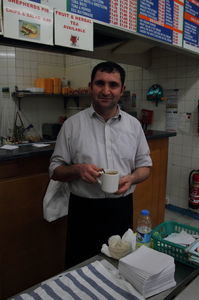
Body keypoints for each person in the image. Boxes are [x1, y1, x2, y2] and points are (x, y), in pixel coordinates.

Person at [49, 61, 152, 268]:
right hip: (83, 209)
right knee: (78, 267)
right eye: (100, 83)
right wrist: (77, 169)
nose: (106, 90)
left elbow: (145, 167)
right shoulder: (71, 125)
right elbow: (55, 170)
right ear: (90, 86)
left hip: (121, 207)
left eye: (113, 85)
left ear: (122, 90)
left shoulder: (133, 126)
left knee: (119, 265)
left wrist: (131, 178)